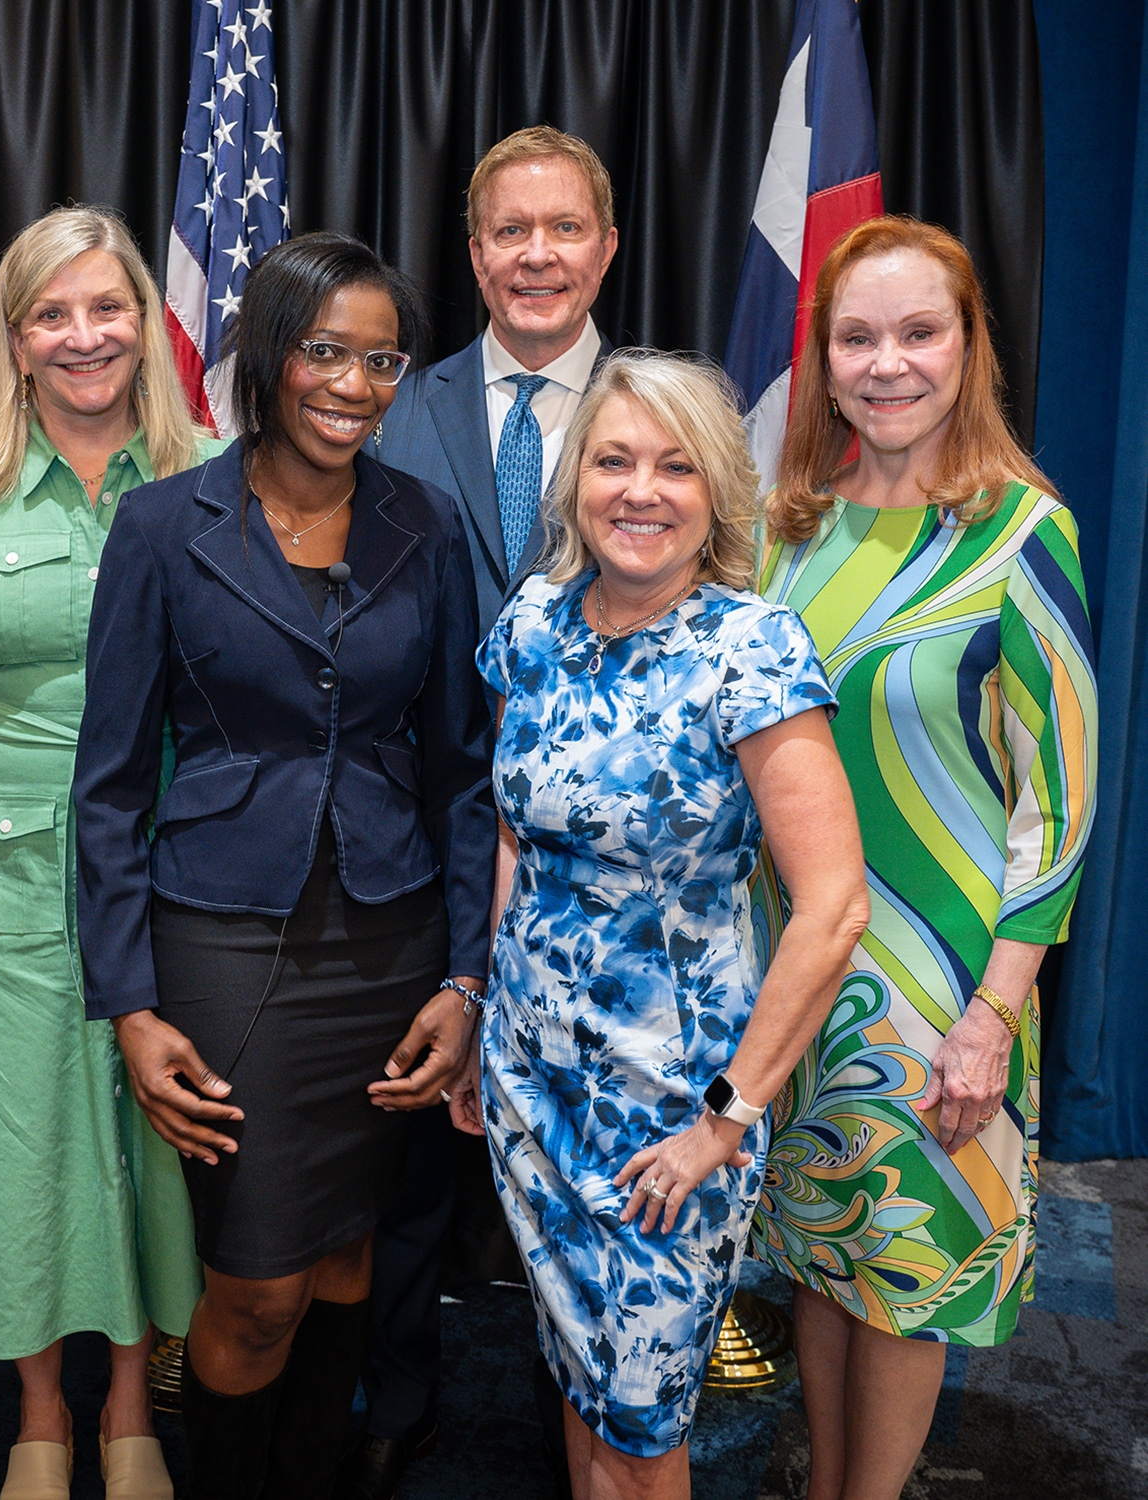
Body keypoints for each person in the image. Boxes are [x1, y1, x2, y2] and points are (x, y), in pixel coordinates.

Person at [74, 232, 495, 1500]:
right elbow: (104, 790)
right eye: (326, 351)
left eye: (381, 359)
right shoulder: (160, 526)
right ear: (269, 354)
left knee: (353, 1259)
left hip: (392, 940)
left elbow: (461, 771)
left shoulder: (424, 523)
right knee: (257, 1286)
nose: (355, 384)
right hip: (223, 943)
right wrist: (129, 1006)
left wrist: (468, 977)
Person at [448, 349, 870, 1499]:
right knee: (587, 1402)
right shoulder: (533, 622)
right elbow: (512, 835)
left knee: (641, 1437)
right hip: (533, 1087)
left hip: (671, 1119)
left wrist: (728, 1120)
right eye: (615, 459)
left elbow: (833, 911)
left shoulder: (751, 649)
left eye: (676, 466)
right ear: (573, 478)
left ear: (719, 492)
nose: (641, 490)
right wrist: (489, 1018)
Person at [751, 217, 1098, 1500]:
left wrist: (992, 1017)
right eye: (858, 337)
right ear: (825, 360)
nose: (887, 363)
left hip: (942, 991)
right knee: (829, 1267)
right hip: (799, 985)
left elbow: (1055, 812)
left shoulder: (1024, 532)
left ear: (967, 350)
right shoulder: (786, 534)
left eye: (918, 333)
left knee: (906, 1288)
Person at [0, 206, 218, 1500]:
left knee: (146, 1135)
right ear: (13, 341)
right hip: (3, 869)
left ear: (144, 320)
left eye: (106, 307)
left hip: (170, 863)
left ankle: (133, 1397)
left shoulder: (210, 473)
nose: (83, 337)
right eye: (51, 315)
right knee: (19, 1138)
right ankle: (40, 1410)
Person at [358, 124, 618, 1498]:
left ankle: (576, 1412)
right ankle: (396, 1400)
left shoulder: (663, 411)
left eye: (563, 228)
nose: (536, 255)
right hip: (421, 834)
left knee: (588, 1170)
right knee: (410, 1157)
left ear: (605, 247)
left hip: (605, 868)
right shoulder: (396, 400)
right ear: (473, 256)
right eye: (509, 232)